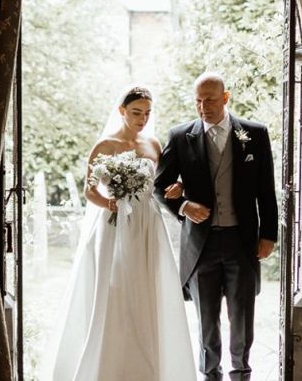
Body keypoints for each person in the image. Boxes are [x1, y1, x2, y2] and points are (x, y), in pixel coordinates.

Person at [45, 86, 196, 381]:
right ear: (122, 111)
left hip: (148, 225)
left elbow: (161, 184)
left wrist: (178, 188)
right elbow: (89, 190)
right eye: (136, 112)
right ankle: (108, 361)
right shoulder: (105, 145)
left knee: (147, 287)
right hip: (114, 224)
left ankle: (149, 363)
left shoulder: (153, 143)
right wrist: (110, 202)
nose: (142, 118)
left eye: (147, 113)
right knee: (115, 288)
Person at [154, 72, 279, 381]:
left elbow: (266, 189)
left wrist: (268, 235)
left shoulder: (255, 133)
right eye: (197, 100)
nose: (203, 106)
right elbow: (159, 186)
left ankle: (241, 373)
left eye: (209, 99)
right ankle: (211, 375)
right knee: (207, 319)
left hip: (242, 240)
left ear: (226, 97)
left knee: (242, 316)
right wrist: (184, 206)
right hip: (201, 245)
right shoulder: (182, 136)